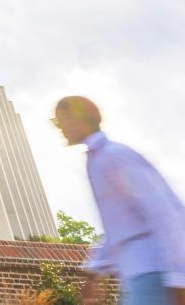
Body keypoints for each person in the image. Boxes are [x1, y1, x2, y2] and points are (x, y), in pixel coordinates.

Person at [53, 96, 185, 305]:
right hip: (136, 277)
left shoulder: (115, 156)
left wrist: (179, 277)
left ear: (83, 118)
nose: (60, 127)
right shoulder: (96, 161)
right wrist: (93, 273)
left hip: (155, 273)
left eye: (63, 119)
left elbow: (164, 212)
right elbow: (118, 228)